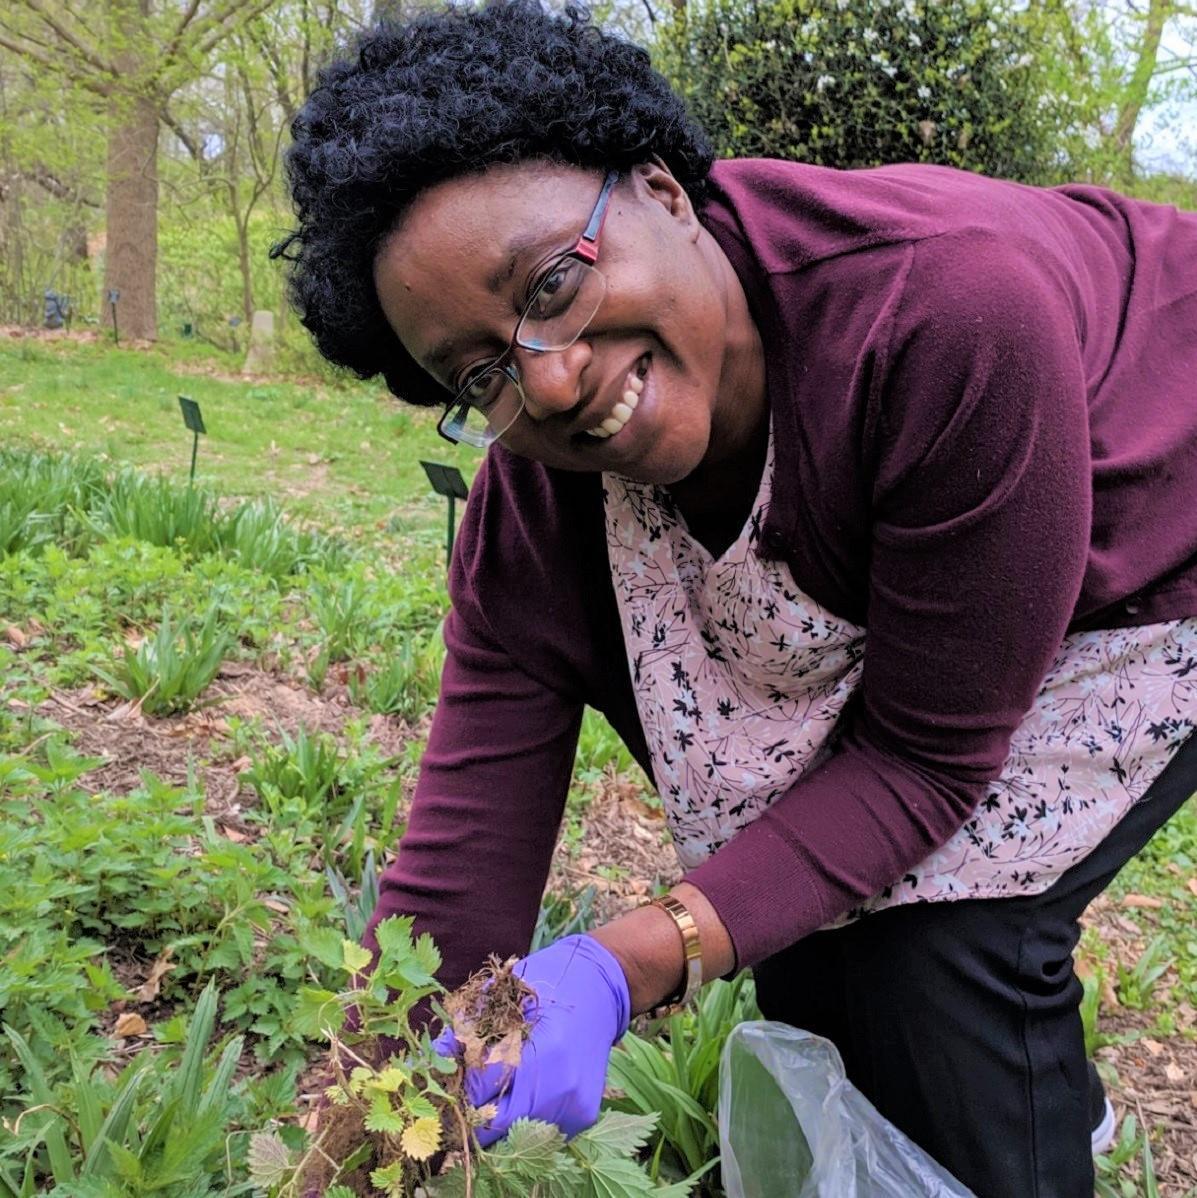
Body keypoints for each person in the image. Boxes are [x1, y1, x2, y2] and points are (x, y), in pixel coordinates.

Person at [273, 3, 1197, 1194]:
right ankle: (1039, 1101)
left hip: (1148, 522)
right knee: (801, 929)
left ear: (661, 189)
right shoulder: (537, 502)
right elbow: (465, 852)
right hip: (962, 519)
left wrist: (627, 959)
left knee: (941, 948)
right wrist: (375, 1093)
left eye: (552, 282)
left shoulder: (942, 314)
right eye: (481, 371)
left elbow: (923, 761)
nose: (549, 379)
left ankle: (1025, 1122)